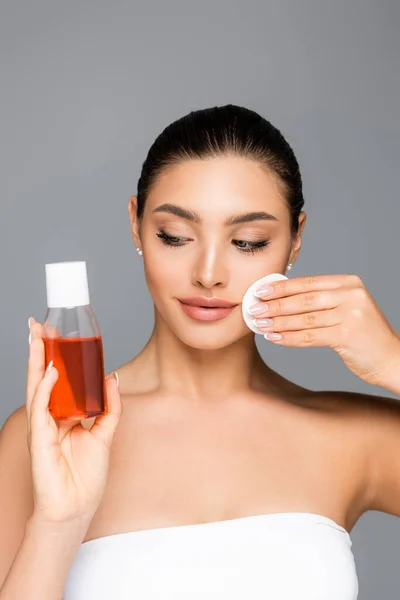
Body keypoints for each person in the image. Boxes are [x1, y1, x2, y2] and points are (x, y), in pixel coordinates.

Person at [1, 104, 400, 600]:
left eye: (248, 242)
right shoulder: (51, 436)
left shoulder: (355, 437)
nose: (208, 273)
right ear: (136, 225)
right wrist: (59, 522)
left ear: (295, 239)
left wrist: (392, 362)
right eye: (176, 236)